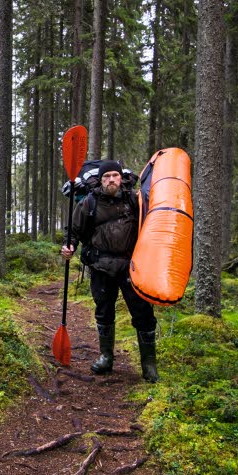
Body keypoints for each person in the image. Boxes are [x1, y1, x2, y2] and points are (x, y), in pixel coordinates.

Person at [60, 160, 159, 382]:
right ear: (101, 180)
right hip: (100, 266)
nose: (111, 180)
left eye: (114, 175)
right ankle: (106, 357)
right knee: (104, 311)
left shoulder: (135, 200)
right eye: (106, 177)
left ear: (121, 178)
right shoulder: (89, 202)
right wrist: (69, 246)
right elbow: (73, 230)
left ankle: (149, 365)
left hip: (132, 267)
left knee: (143, 313)